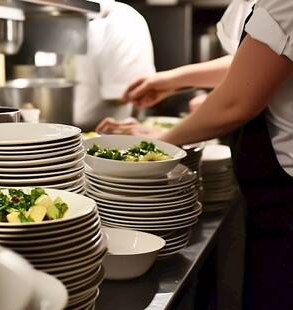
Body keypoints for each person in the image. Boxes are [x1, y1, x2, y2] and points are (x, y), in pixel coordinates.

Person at [100, 1, 293, 309]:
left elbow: (237, 101)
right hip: (272, 199)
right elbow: (257, 61)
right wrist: (170, 81)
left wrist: (155, 146)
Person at [96, 0, 256, 135]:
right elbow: (248, 65)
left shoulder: (276, 6)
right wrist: (172, 80)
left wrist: (163, 137)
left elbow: (236, 102)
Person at [73, 0, 156, 132]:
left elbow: (128, 94)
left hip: (102, 136)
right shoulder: (46, 15)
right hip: (55, 133)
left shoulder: (123, 20)